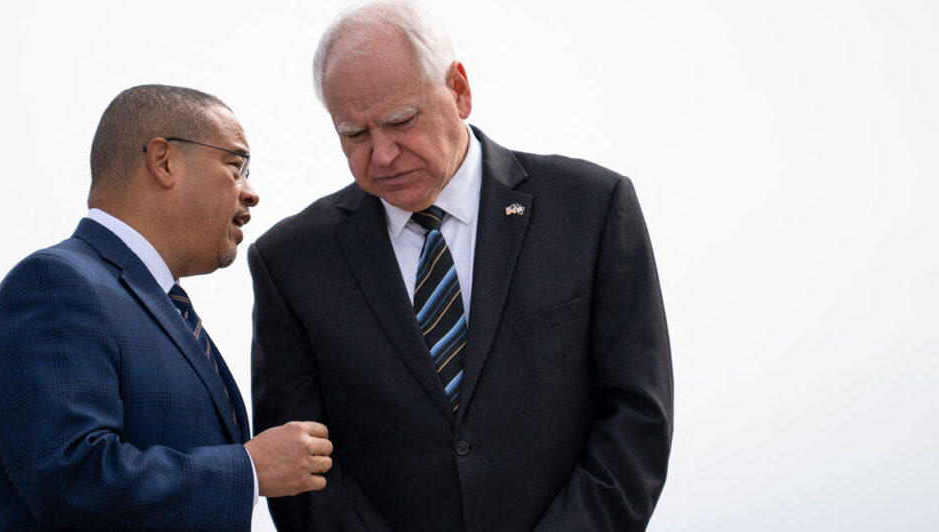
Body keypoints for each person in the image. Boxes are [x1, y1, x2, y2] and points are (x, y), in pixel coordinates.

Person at [249, 1, 673, 530]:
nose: (382, 154)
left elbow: (637, 417)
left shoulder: (591, 207)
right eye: (354, 135)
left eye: (401, 121)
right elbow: (300, 468)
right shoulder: (290, 261)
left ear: (459, 90)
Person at [0, 84, 333, 531]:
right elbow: (74, 479)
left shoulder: (159, 305)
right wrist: (250, 469)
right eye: (236, 165)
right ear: (163, 162)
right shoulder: (55, 284)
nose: (251, 192)